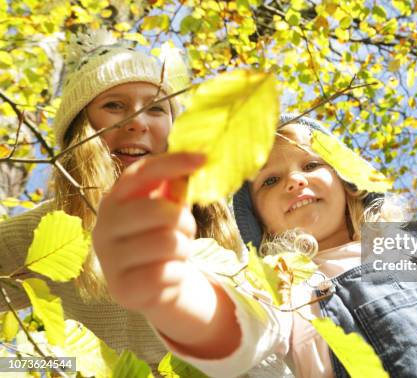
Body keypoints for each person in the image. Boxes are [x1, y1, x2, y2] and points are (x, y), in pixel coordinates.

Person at [92, 114, 417, 377]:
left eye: (311, 166)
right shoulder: (280, 280)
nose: (294, 182)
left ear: (346, 184)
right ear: (259, 222)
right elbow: (243, 331)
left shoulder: (403, 251)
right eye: (269, 182)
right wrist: (172, 293)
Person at [0, 30, 242, 371]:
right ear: (81, 127)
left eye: (157, 109)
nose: (137, 123)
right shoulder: (54, 227)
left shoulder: (219, 215)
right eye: (115, 105)